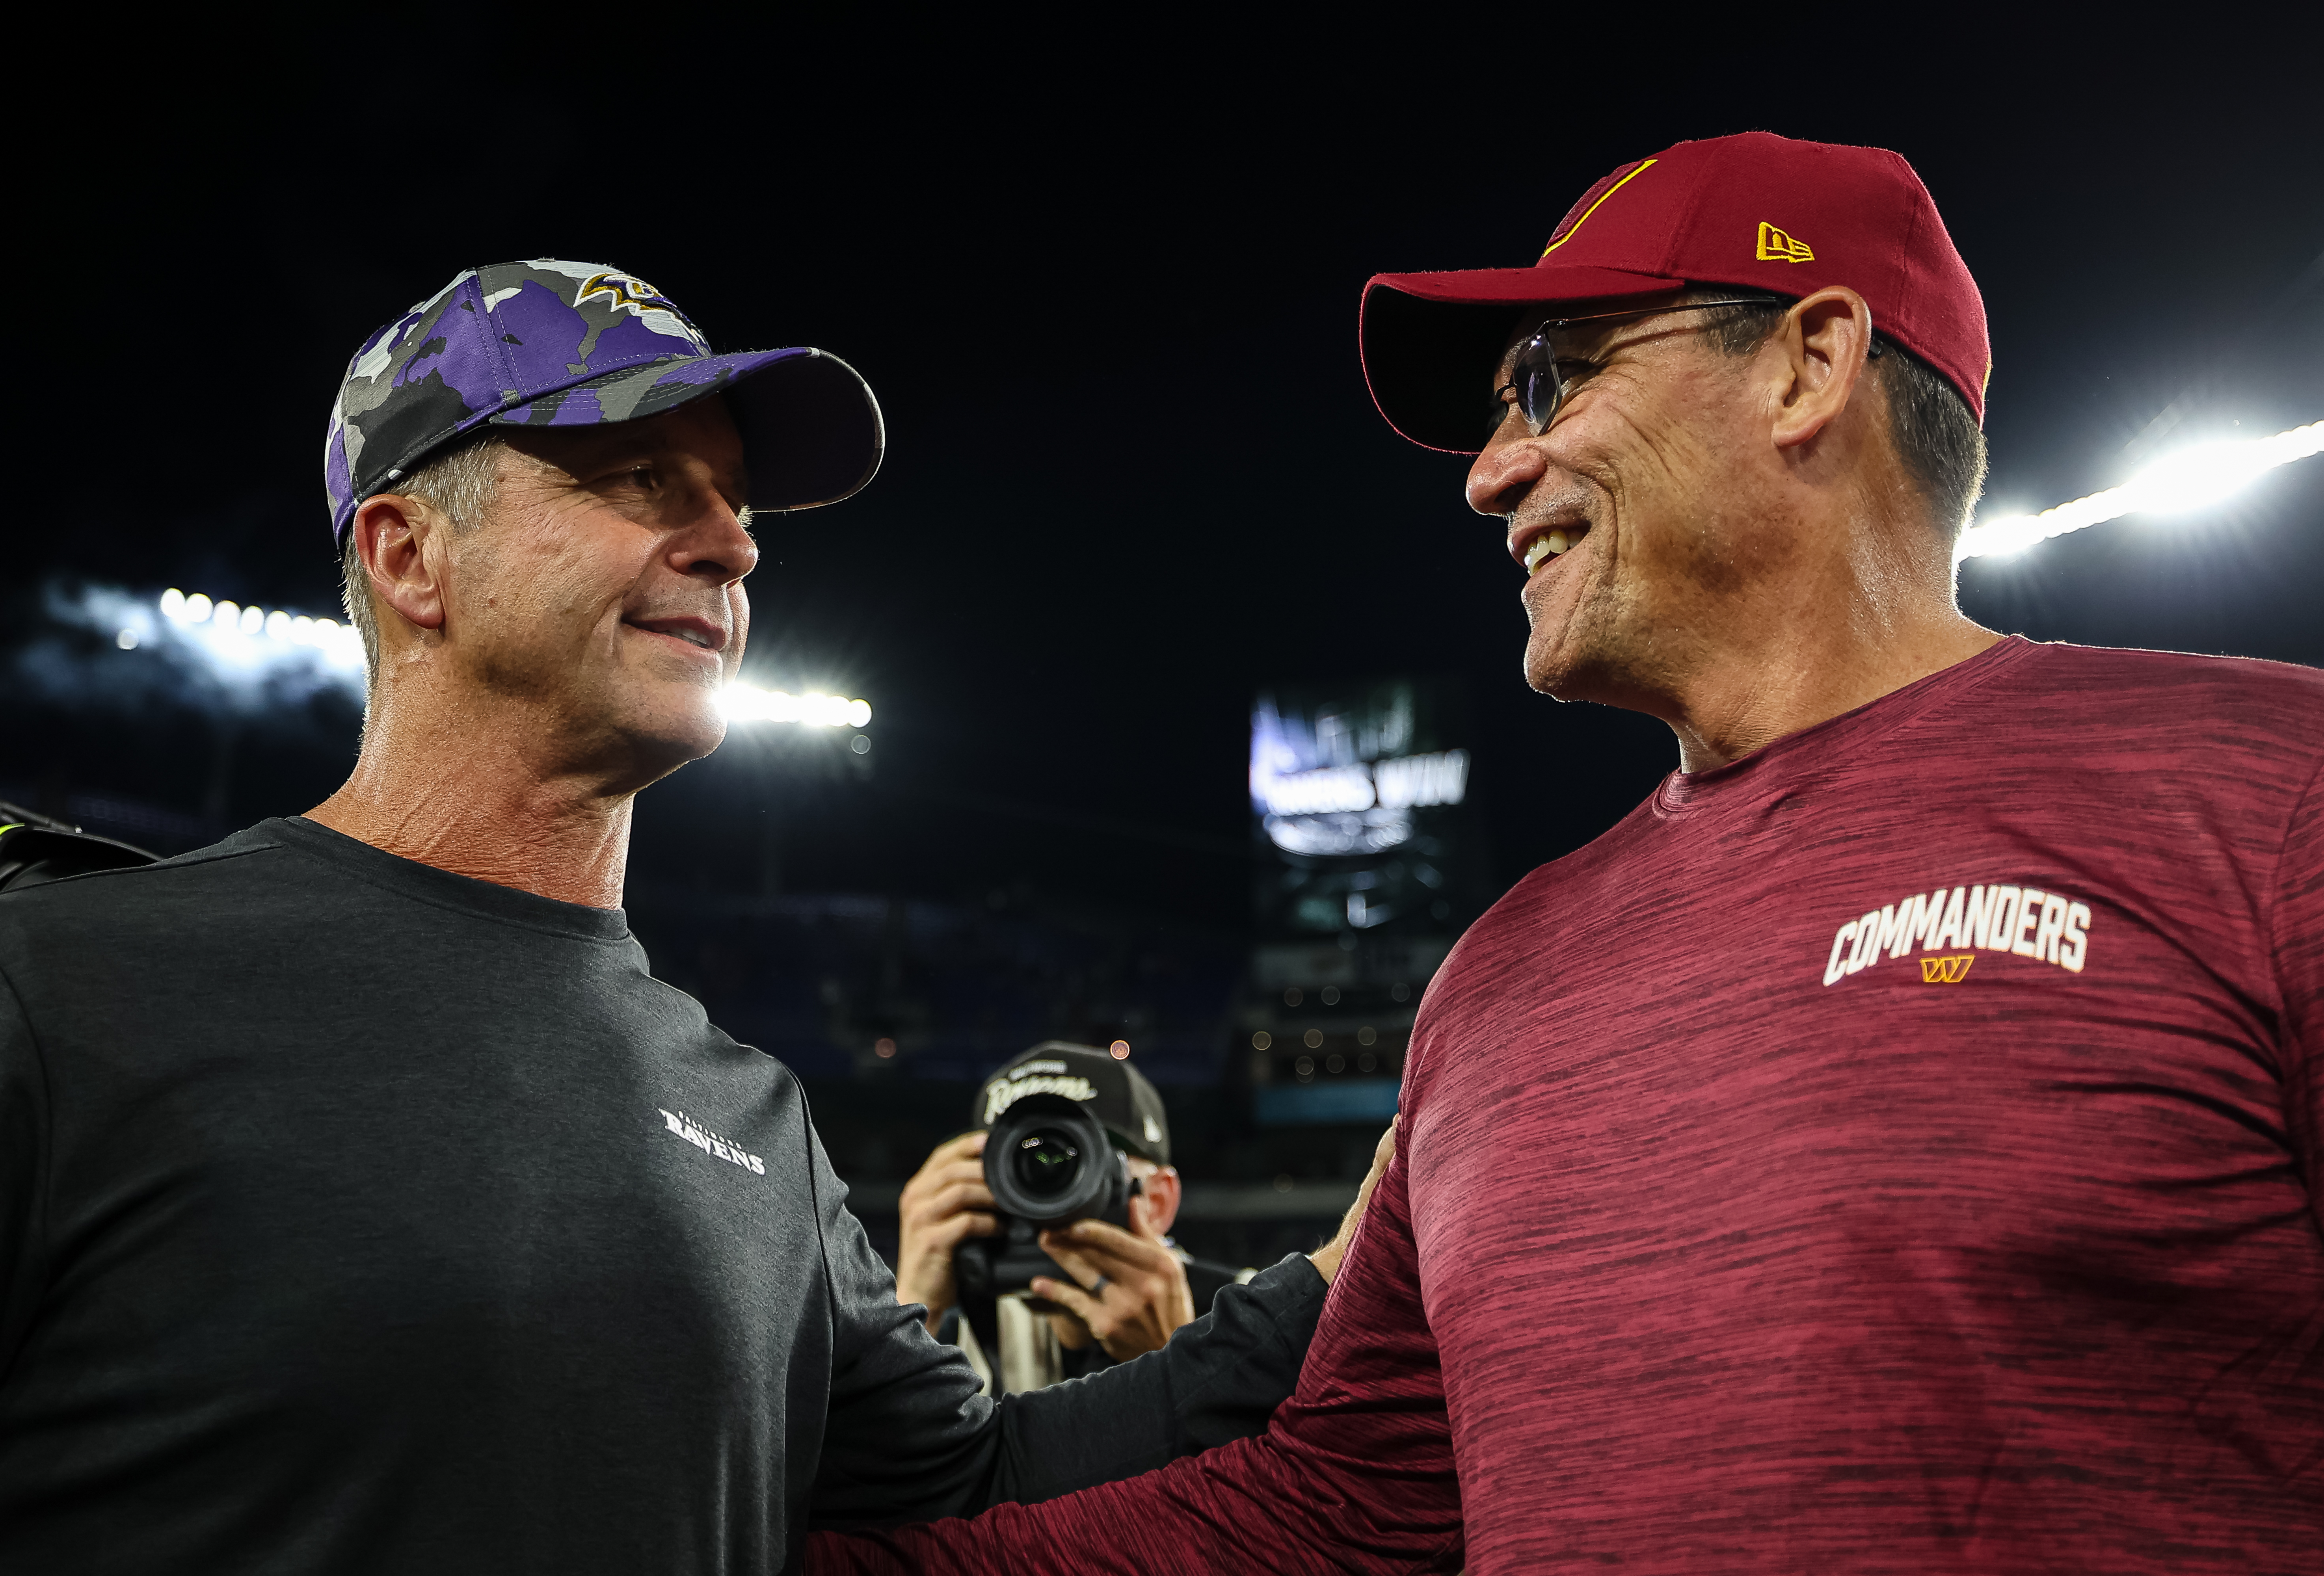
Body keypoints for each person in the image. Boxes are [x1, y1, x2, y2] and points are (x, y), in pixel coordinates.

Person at [808, 131, 2324, 1573]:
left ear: (1809, 360)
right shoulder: (1498, 976)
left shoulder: (2262, 791)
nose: (1489, 470)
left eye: (1552, 378)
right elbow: (1330, 1507)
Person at [0, 260, 1391, 1573]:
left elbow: (983, 1481)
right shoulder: (56, 991)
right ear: (410, 559)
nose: (732, 547)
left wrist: (1348, 1267)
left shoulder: (753, 1118)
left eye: (737, 504)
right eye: (641, 477)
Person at [897, 1043, 1251, 1395]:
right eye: (1019, 1168)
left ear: (1157, 1202)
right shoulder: (951, 1339)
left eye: (1082, 1160)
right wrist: (909, 1312)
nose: (1043, 1202)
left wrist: (1177, 1369)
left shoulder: (1254, 1318)